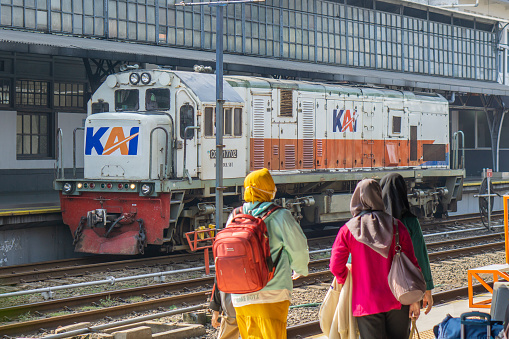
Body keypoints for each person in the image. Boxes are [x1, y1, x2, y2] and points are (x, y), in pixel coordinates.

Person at [330, 179, 421, 339]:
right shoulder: (397, 226)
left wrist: (345, 276)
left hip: (365, 302)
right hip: (399, 298)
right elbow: (413, 264)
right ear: (379, 197)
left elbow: (335, 266)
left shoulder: (347, 230)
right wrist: (415, 300)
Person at [230, 168, 309, 339]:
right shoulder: (280, 215)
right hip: (273, 292)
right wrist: (300, 269)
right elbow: (298, 248)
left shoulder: (235, 215)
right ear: (269, 189)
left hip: (240, 295)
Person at [381, 173, 434, 315]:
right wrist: (426, 288)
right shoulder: (410, 221)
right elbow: (420, 255)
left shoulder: (374, 222)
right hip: (403, 291)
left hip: (377, 292)